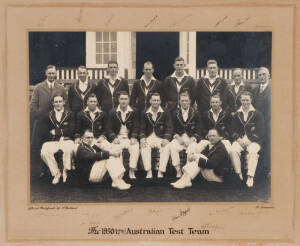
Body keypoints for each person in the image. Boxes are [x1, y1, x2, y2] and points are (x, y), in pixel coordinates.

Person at [196, 94, 242, 180]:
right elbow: (203, 129)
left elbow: (230, 129)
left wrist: (222, 137)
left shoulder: (227, 114)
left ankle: (237, 174)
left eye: (216, 102)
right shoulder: (206, 114)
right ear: (210, 103)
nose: (215, 104)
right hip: (208, 139)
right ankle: (195, 175)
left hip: (223, 140)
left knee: (231, 150)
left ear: (220, 103)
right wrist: (207, 135)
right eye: (213, 102)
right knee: (197, 148)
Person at [30, 65, 67, 154]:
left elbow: (66, 105)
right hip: (41, 122)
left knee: (54, 147)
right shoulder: (38, 87)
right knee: (38, 147)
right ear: (46, 74)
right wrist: (39, 116)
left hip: (56, 122)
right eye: (49, 73)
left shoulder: (61, 88)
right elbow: (33, 105)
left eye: (53, 73)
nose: (51, 75)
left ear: (56, 74)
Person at [231, 91, 265, 187]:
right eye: (243, 100)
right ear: (240, 100)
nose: (245, 102)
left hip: (254, 140)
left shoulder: (258, 114)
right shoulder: (236, 114)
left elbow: (261, 131)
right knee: (233, 150)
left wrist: (250, 140)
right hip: (240, 140)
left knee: (253, 151)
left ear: (251, 100)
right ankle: (238, 173)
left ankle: (250, 176)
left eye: (247, 100)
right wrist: (239, 140)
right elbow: (232, 130)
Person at [39, 94, 75, 184]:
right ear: (53, 103)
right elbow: (44, 131)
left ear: (64, 102)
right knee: (44, 152)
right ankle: (56, 172)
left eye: (60, 101)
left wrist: (57, 132)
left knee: (69, 149)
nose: (58, 103)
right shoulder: (48, 115)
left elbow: (72, 130)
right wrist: (55, 133)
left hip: (66, 139)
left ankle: (65, 171)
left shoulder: (70, 114)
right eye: (56, 102)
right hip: (52, 140)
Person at [170, 90, 203, 178]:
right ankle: (178, 170)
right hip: (180, 139)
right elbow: (172, 128)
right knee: (172, 146)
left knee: (192, 149)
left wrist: (192, 139)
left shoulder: (195, 113)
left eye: (186, 100)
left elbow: (199, 129)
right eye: (182, 101)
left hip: (191, 139)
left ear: (190, 101)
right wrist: (177, 137)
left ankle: (187, 173)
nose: (184, 102)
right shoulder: (175, 113)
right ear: (179, 101)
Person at [140, 93, 173, 178]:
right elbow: (142, 128)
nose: (156, 102)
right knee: (144, 147)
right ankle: (148, 171)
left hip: (160, 137)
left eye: (158, 100)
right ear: (150, 101)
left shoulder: (165, 111)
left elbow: (169, 127)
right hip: (149, 137)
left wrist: (166, 138)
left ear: (160, 101)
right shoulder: (145, 112)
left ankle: (161, 171)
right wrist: (143, 138)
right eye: (154, 100)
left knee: (166, 147)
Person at [107, 91, 140, 179]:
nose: (123, 101)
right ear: (118, 100)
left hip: (129, 138)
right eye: (121, 99)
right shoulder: (112, 112)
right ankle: (120, 172)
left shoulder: (134, 111)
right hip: (118, 137)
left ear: (129, 100)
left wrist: (133, 137)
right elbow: (109, 128)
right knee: (116, 149)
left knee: (135, 147)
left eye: (125, 99)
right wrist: (113, 137)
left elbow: (136, 126)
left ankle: (132, 170)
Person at [253, 67, 271, 177]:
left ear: (269, 75)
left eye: (264, 74)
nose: (262, 77)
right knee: (258, 145)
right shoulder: (255, 89)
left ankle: (269, 169)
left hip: (269, 123)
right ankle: (259, 170)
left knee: (269, 145)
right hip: (257, 124)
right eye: (260, 75)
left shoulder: (273, 89)